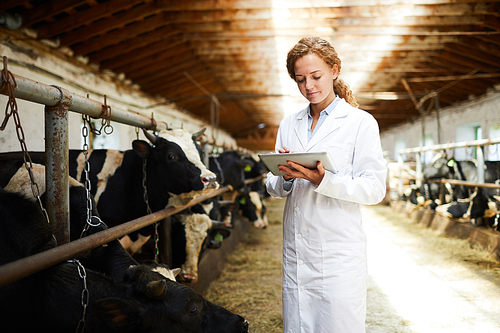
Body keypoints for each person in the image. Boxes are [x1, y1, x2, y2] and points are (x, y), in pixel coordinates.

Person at [265, 36, 387, 333]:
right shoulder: (288, 124)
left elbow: (374, 188)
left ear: (334, 70)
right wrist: (285, 176)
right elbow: (272, 185)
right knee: (298, 324)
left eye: (316, 76)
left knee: (337, 325)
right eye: (300, 79)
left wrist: (324, 180)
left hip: (338, 252)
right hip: (297, 250)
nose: (309, 86)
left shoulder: (360, 122)